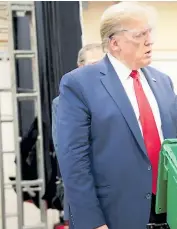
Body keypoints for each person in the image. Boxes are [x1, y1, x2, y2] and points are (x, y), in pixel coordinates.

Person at [55, 2, 177, 229]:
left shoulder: (163, 82)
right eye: (140, 34)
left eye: (149, 32)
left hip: (170, 213)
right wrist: (92, 222)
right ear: (114, 43)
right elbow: (74, 161)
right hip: (114, 215)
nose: (149, 40)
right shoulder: (80, 84)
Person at [52, 43, 105, 229]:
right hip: (86, 195)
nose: (98, 70)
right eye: (93, 64)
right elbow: (66, 152)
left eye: (103, 64)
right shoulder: (63, 103)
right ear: (80, 67)